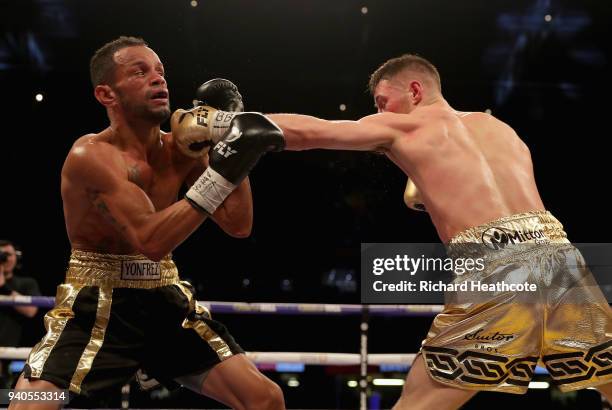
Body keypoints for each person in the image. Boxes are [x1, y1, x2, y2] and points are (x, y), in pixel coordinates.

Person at [187, 54, 612, 409]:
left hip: (493, 266)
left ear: (414, 91)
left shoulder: (405, 126)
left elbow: (310, 132)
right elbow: (491, 194)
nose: (377, 114)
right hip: (561, 257)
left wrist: (221, 121)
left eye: (381, 101)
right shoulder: (500, 129)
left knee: (417, 404)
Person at [10, 36, 285, 410]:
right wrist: (227, 169)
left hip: (164, 295)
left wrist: (228, 148)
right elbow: (150, 239)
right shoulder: (90, 155)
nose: (159, 79)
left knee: (265, 399)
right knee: (28, 404)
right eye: (140, 72)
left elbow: (239, 224)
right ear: (107, 95)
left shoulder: (181, 149)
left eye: (160, 71)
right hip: (99, 299)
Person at [0, 240, 40, 388]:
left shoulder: (26, 283)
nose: (5, 259)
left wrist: (4, 287)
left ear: (16, 257)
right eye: (1, 255)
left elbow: (31, 311)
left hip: (14, 353)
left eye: (8, 255)